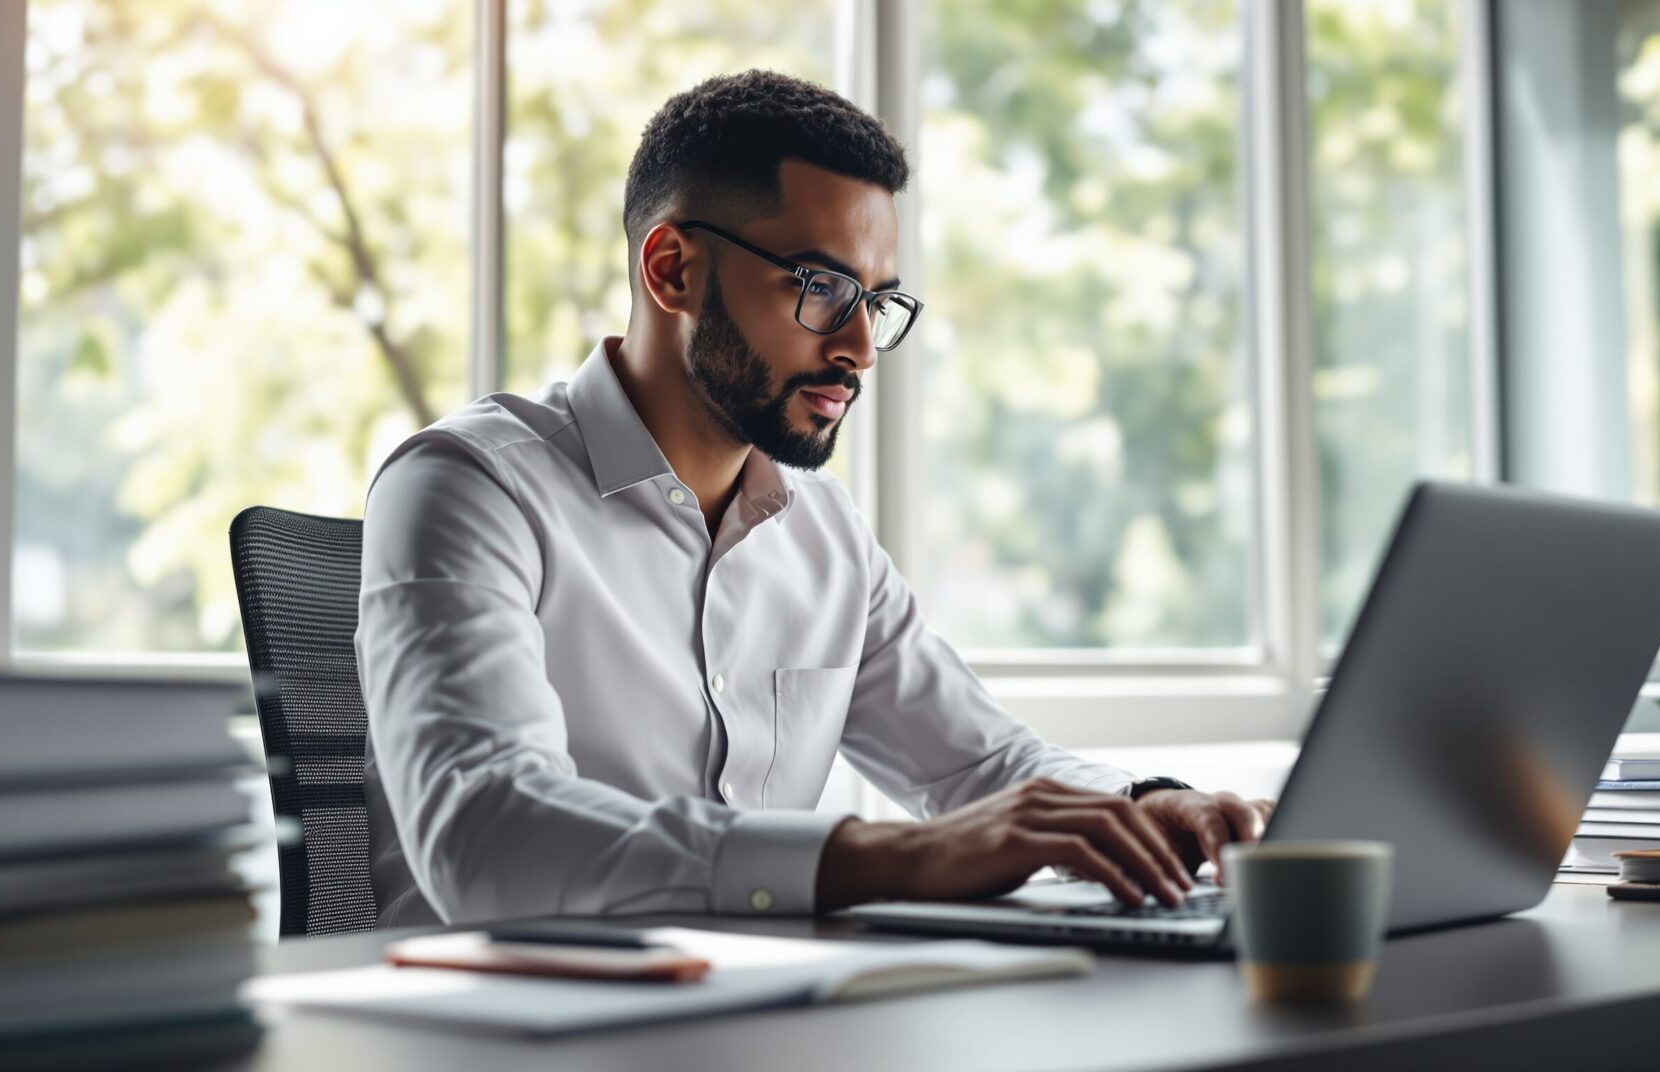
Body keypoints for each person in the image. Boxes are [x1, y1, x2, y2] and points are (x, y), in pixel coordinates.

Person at [356, 69, 1274, 928]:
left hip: (763, 1020)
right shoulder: (468, 487)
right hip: (502, 1034)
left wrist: (1148, 804)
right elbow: (488, 837)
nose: (860, 349)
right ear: (671, 269)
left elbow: (983, 767)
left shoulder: (822, 531)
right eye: (823, 287)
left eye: (878, 301)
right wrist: (891, 858)